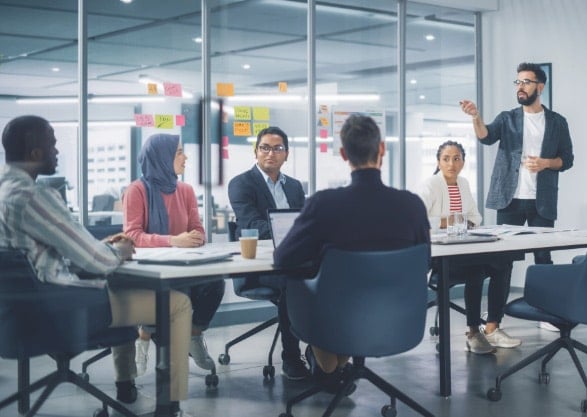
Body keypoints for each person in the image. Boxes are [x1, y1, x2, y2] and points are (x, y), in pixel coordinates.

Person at [0, 115, 193, 414]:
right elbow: (99, 263)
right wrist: (118, 251)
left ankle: (126, 387)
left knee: (123, 284)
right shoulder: (34, 196)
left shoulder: (4, 193)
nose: (57, 151)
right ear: (34, 152)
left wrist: (98, 248)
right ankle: (171, 407)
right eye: (52, 144)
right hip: (60, 312)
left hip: (15, 314)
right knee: (177, 304)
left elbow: (32, 255)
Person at [273, 114, 430, 391]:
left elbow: (283, 260)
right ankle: (336, 365)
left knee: (302, 285)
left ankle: (328, 364)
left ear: (344, 154)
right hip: (398, 320)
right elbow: (424, 262)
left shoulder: (325, 204)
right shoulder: (412, 206)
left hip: (336, 320)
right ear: (381, 149)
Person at [122, 133, 225, 376]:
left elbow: (197, 228)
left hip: (184, 265)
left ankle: (194, 335)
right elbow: (132, 236)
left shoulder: (186, 190)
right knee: (165, 291)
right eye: (179, 152)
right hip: (149, 270)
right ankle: (144, 337)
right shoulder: (136, 191)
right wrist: (173, 241)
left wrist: (197, 237)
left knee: (215, 283)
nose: (185, 157)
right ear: (161, 157)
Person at [459, 62, 575, 265]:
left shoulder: (557, 122)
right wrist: (476, 117)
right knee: (502, 260)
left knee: (542, 256)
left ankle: (544, 298)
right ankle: (498, 299)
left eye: (526, 82)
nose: (520, 87)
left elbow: (567, 159)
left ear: (540, 87)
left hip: (542, 202)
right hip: (509, 199)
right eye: (518, 82)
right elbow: (486, 137)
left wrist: (546, 163)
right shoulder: (507, 118)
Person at [417, 141, 520, 354]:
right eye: (446, 159)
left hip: (465, 247)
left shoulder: (463, 184)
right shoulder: (430, 185)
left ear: (463, 162)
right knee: (477, 270)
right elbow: (417, 219)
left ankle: (492, 327)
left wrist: (459, 221)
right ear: (438, 161)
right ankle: (474, 333)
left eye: (456, 159)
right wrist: (449, 221)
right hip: (440, 257)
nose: (451, 164)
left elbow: (476, 217)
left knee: (503, 263)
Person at [227, 126, 309, 380]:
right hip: (260, 267)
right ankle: (292, 358)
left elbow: (305, 222)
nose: (270, 153)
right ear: (256, 152)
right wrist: (295, 233)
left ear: (287, 154)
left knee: (329, 274)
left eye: (277, 148)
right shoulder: (241, 184)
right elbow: (253, 225)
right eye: (264, 148)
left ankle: (325, 352)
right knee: (293, 282)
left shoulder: (294, 186)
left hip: (294, 258)